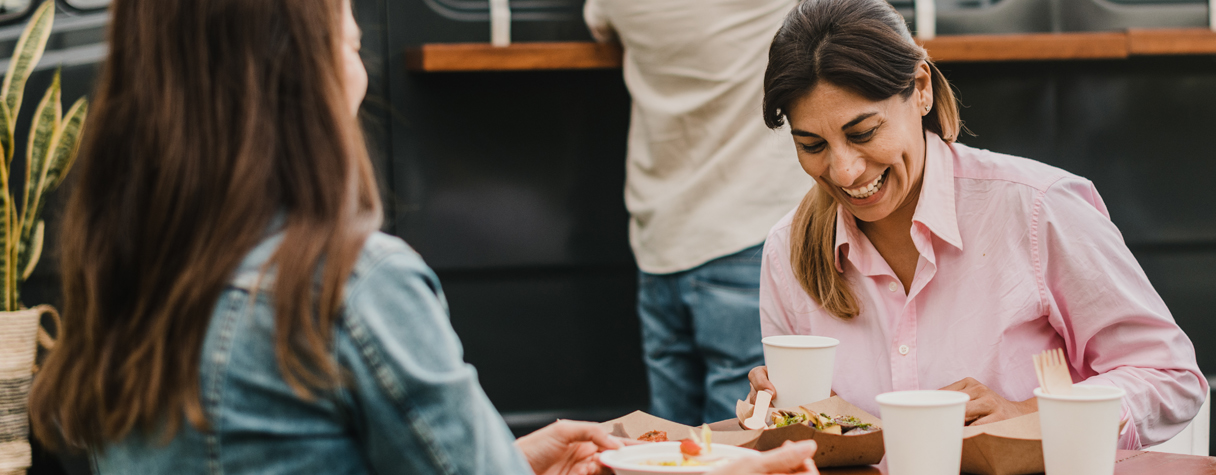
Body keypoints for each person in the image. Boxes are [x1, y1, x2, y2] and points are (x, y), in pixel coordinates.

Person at [26, 0, 819, 473]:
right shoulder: (348, 281)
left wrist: (516, 455)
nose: (359, 45)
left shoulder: (126, 276)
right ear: (298, 69)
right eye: (342, 28)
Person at [745, 0, 1208, 449]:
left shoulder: (1037, 209)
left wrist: (1030, 414)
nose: (844, 171)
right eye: (812, 145)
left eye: (863, 132)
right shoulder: (787, 250)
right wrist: (783, 417)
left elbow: (1170, 378)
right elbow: (815, 439)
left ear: (921, 88)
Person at [583, 0, 812, 426]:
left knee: (669, 444)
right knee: (736, 441)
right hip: (747, 232)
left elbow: (598, 26)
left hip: (661, 239)